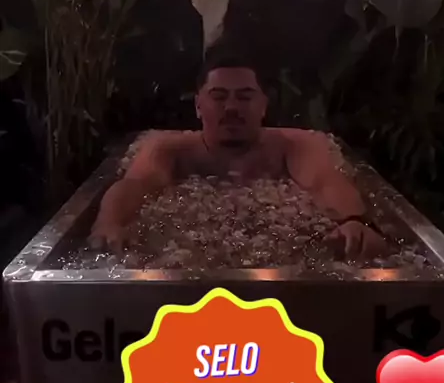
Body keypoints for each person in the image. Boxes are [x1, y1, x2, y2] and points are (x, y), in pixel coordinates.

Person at [90, 51, 384, 259]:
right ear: (198, 106)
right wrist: (109, 221)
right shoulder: (170, 148)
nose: (232, 107)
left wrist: (355, 221)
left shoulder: (293, 145)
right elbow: (136, 184)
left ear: (263, 105)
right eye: (219, 97)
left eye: (245, 97)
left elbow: (324, 181)